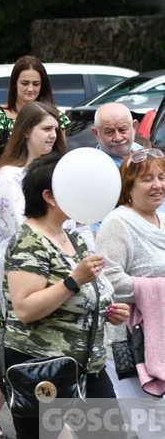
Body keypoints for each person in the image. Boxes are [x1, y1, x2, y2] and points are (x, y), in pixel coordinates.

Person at [0, 153, 128, 438]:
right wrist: (73, 280)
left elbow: (83, 295)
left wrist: (106, 311)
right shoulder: (28, 242)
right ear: (49, 196)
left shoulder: (74, 237)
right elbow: (25, 309)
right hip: (43, 367)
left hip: (88, 367)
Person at [0, 101, 66, 439]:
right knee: (25, 347)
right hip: (20, 275)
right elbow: (26, 228)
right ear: (26, 132)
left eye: (55, 129)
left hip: (52, 271)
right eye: (46, 129)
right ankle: (40, 420)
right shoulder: (9, 176)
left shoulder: (53, 172)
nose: (53, 135)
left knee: (20, 345)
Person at [97, 149, 165, 399]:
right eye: (148, 179)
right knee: (144, 420)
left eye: (162, 177)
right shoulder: (118, 222)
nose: (158, 185)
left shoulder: (162, 220)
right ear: (128, 186)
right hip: (132, 339)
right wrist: (159, 288)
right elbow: (108, 279)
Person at [0, 55, 62, 185]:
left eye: (36, 84)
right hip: (4, 185)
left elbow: (60, 154)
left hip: (42, 185)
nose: (30, 89)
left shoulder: (55, 116)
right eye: (24, 83)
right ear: (15, 84)